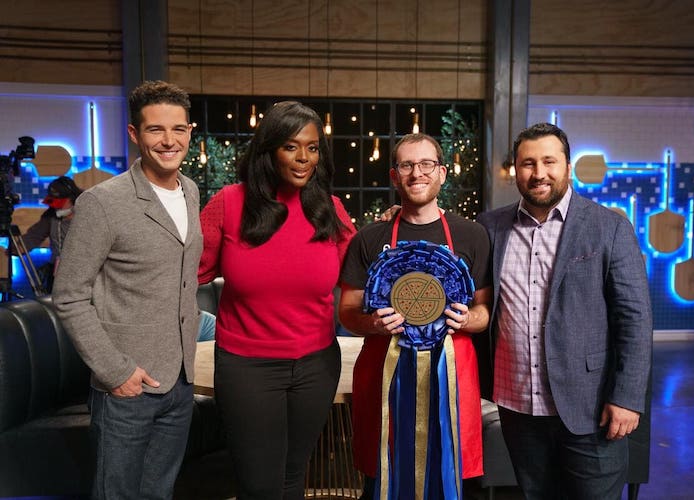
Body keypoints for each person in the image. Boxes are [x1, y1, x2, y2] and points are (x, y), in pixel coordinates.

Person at [475, 122, 652, 500]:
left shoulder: (609, 227)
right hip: (517, 405)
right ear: (515, 170)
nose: (539, 173)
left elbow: (634, 320)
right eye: (528, 163)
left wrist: (626, 398)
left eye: (549, 162)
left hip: (590, 407)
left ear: (567, 166)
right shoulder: (491, 227)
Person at [52, 80, 202, 500]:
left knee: (159, 493)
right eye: (156, 130)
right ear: (135, 134)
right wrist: (115, 372)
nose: (168, 141)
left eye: (178, 129)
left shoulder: (190, 191)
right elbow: (69, 295)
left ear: (190, 131)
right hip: (127, 387)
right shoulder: (104, 202)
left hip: (180, 383)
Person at [198, 100, 355, 499]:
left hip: (317, 364)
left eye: (313, 147)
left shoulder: (329, 208)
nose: (304, 158)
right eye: (291, 146)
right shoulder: (229, 203)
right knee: (260, 486)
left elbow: (364, 272)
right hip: (247, 367)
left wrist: (395, 229)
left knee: (293, 477)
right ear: (268, 150)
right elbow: (184, 279)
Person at [338, 133, 492, 498]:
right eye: (406, 165)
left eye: (425, 164)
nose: (416, 173)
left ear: (442, 172)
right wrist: (373, 323)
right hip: (386, 376)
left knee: (448, 471)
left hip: (452, 377)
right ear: (395, 176)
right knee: (384, 471)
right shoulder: (369, 238)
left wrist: (466, 320)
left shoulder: (473, 235)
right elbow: (347, 312)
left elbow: (484, 311)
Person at [10, 176, 82, 291]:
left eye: (60, 202)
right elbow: (35, 234)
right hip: (58, 271)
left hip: (82, 271)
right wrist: (18, 247)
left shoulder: (87, 214)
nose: (56, 207)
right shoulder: (51, 215)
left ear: (71, 199)